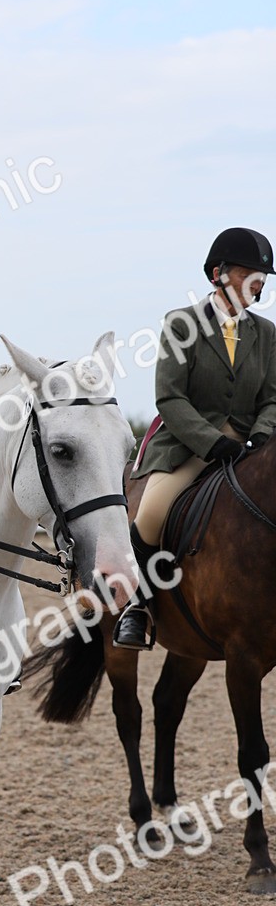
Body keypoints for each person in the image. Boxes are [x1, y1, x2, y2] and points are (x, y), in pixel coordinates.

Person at [113, 226, 276, 650]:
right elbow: (169, 398)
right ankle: (138, 607)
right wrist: (213, 442)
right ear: (217, 274)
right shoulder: (181, 324)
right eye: (248, 273)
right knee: (149, 513)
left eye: (261, 277)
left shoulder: (267, 333)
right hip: (190, 444)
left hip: (251, 447)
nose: (258, 283)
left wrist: (259, 436)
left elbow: (273, 399)